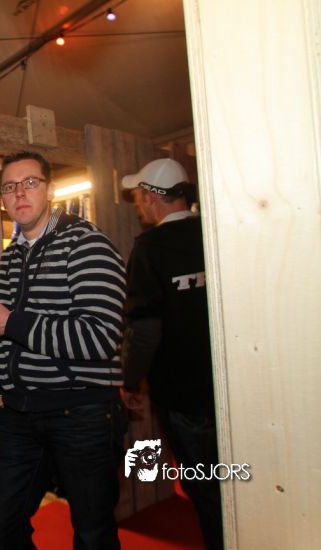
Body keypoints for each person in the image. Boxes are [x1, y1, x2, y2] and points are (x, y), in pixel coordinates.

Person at [0, 151, 127, 550]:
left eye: (30, 183)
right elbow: (4, 332)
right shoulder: (12, 254)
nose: (19, 193)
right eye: (9, 187)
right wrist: (0, 386)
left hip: (83, 413)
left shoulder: (87, 243)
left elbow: (100, 337)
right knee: (1, 526)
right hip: (20, 415)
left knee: (92, 533)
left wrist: (11, 323)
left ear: (50, 190)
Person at [119, 158, 223, 550]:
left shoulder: (150, 248)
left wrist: (130, 381)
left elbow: (145, 330)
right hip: (229, 387)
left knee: (206, 490)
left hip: (183, 394)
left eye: (138, 197)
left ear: (151, 197)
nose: (138, 205)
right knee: (239, 483)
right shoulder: (215, 232)